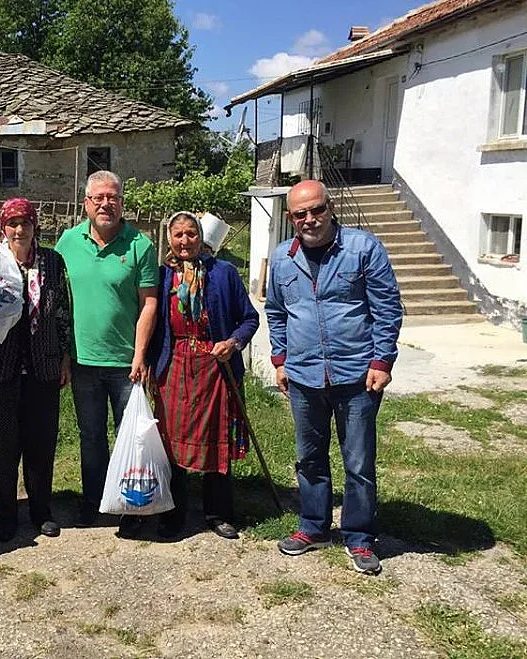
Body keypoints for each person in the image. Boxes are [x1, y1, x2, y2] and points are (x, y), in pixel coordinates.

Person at [265, 179, 403, 575]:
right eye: (300, 213)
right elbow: (276, 311)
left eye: (317, 210)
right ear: (291, 218)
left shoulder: (363, 249)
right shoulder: (281, 258)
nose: (310, 219)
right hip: (304, 375)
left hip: (357, 375)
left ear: (330, 207)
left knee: (358, 463)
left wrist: (382, 361)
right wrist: (280, 359)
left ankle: (359, 537)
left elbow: (387, 308)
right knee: (309, 458)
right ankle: (314, 526)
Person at [0, 198, 72, 542]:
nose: (19, 229)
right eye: (12, 223)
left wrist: (65, 356)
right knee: (2, 444)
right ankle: (5, 514)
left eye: (26, 222)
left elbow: (62, 312)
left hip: (43, 365)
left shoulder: (52, 261)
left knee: (41, 442)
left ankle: (41, 511)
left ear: (36, 225)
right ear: (2, 228)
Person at [55, 170, 158, 536]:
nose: (105, 204)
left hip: (126, 363)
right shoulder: (67, 243)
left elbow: (149, 304)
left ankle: (133, 503)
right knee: (91, 435)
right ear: (86, 204)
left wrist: (140, 355)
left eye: (112, 197)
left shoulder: (139, 246)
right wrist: (64, 354)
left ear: (122, 203)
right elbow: (58, 301)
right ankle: (94, 501)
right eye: (98, 197)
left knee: (133, 435)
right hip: (83, 361)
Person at [147, 212, 259, 540]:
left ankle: (218, 513)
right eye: (178, 235)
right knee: (171, 444)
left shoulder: (223, 273)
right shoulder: (161, 277)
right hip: (175, 365)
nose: (185, 241)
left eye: (191, 234)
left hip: (215, 366)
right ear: (169, 239)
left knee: (216, 441)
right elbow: (149, 320)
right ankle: (173, 515)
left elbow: (249, 318)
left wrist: (233, 342)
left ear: (201, 237)